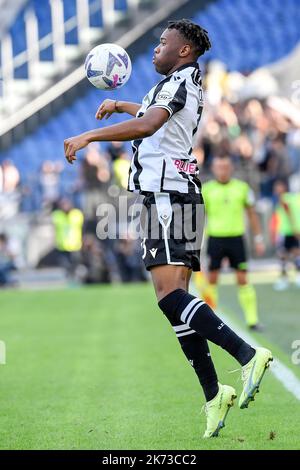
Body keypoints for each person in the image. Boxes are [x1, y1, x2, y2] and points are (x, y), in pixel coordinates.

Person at [64, 19, 272, 438]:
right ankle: (215, 394)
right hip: (179, 194)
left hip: (166, 196)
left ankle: (248, 354)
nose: (155, 48)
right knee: (174, 299)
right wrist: (121, 106)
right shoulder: (178, 83)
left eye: (163, 42)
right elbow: (150, 117)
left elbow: (147, 126)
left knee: (169, 296)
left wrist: (89, 135)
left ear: (184, 51)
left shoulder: (179, 84)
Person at [200, 156, 265, 330]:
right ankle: (210, 319)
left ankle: (252, 320)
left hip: (237, 239)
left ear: (231, 168)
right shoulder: (206, 190)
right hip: (216, 239)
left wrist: (259, 238)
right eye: (219, 167)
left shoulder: (242, 188)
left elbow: (252, 214)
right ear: (214, 169)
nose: (223, 170)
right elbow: (199, 217)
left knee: (243, 278)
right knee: (212, 278)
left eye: (226, 167)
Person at [272, 179, 300, 290]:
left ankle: (285, 279)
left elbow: (289, 214)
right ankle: (289, 278)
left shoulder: (285, 199)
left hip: (287, 231)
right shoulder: (291, 198)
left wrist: (294, 228)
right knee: (293, 254)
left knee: (284, 255)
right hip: (287, 231)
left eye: (279, 187)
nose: (276, 190)